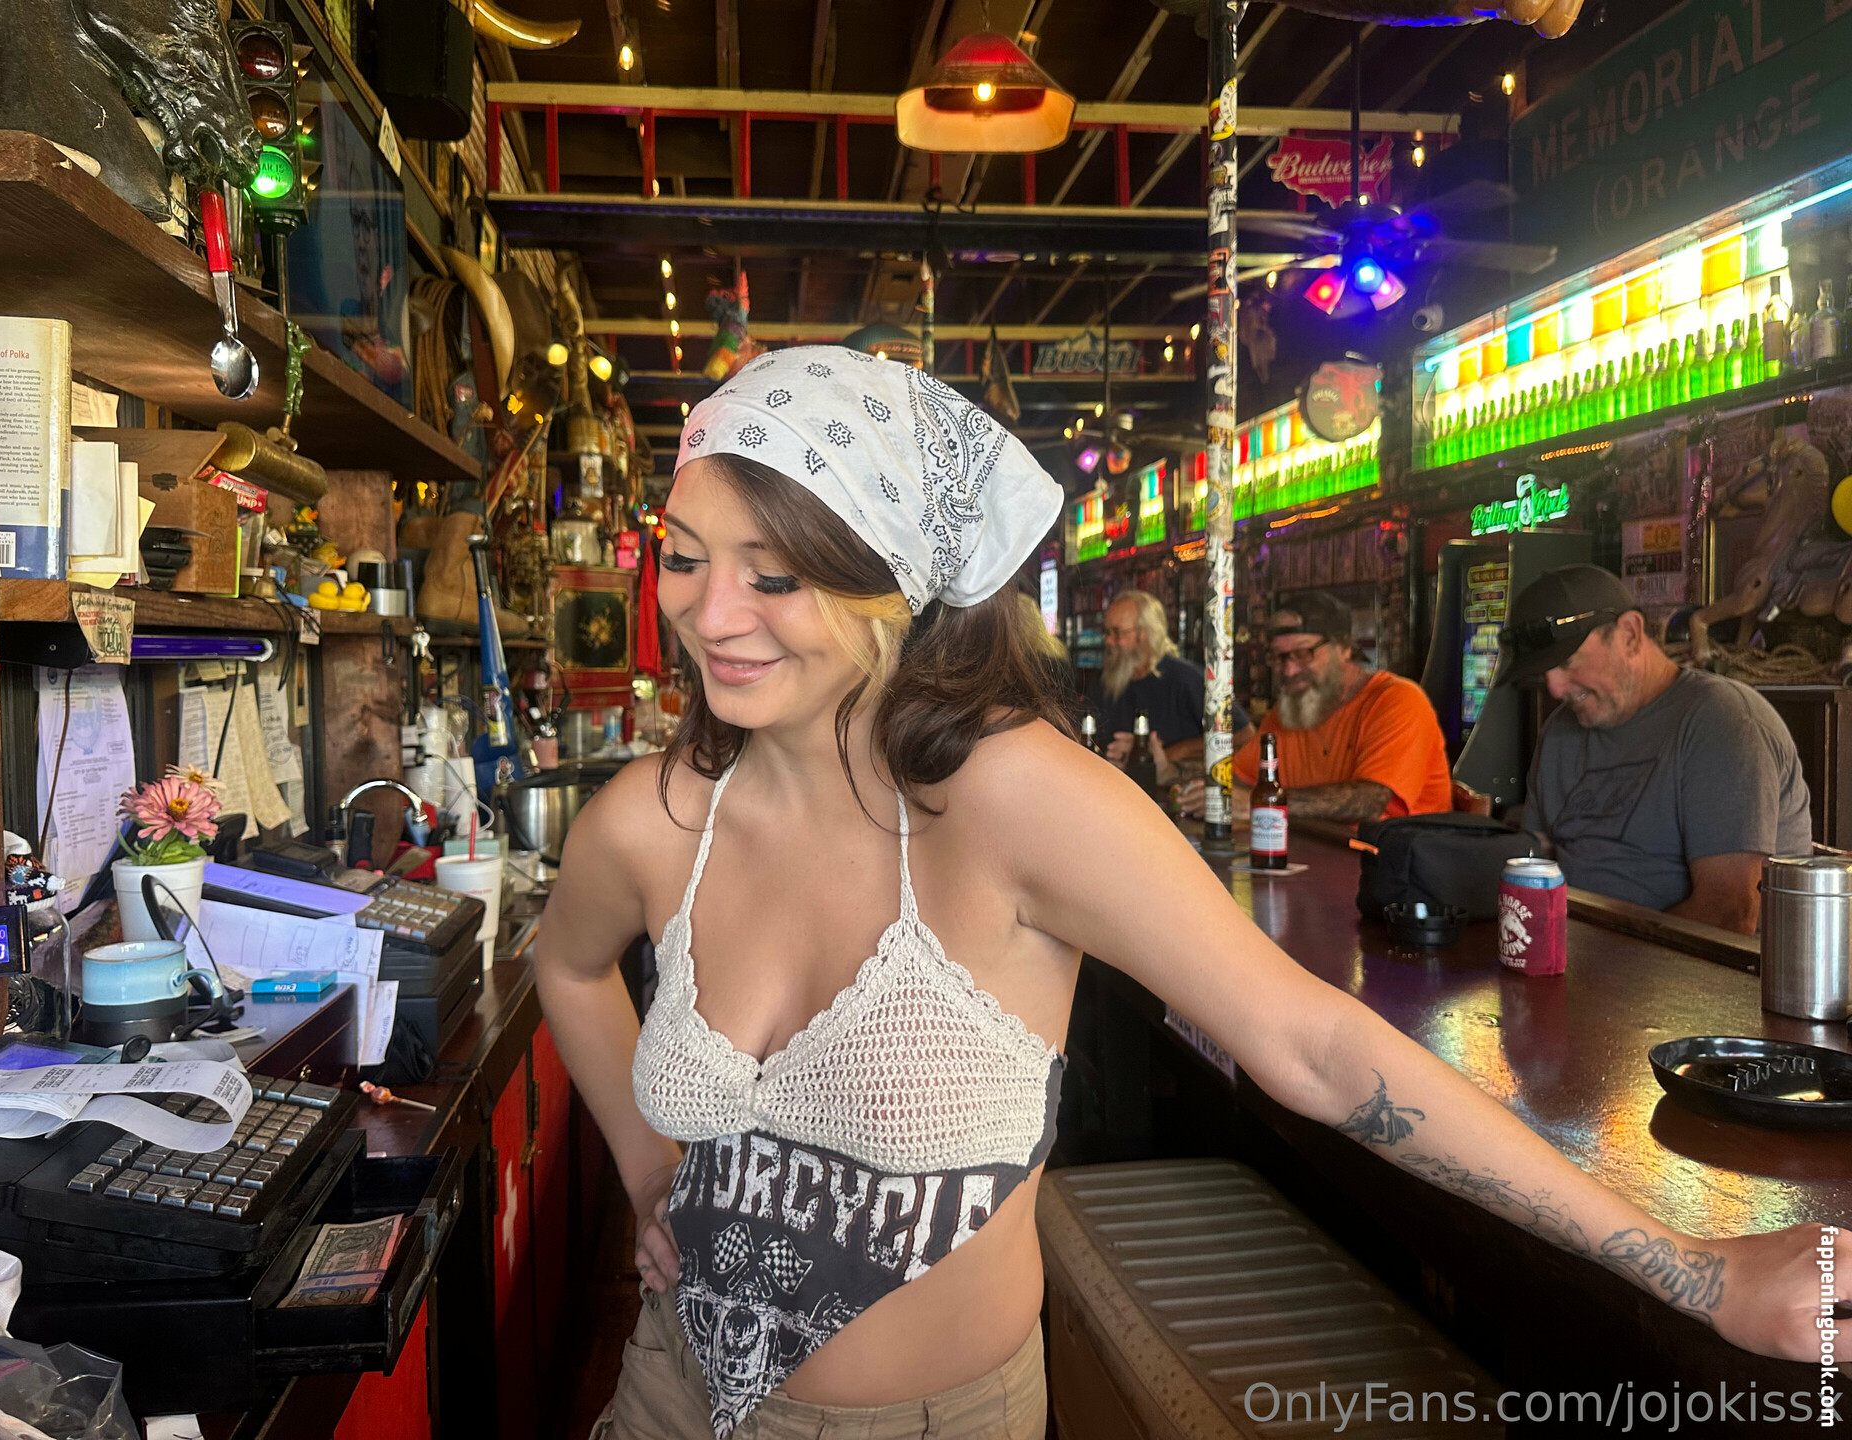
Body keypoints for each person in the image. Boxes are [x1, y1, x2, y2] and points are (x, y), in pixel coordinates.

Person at [534, 348, 1834, 1440]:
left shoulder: (1008, 798)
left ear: (898, 579)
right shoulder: (660, 816)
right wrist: (650, 1176)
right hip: (666, 1395)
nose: (709, 615)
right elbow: (567, 963)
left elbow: (1314, 1044)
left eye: (773, 575)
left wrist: (1695, 1272)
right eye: (684, 558)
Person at [1498, 565, 1811, 935]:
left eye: (1567, 662)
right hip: (1575, 951)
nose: (1554, 688)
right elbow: (1534, 866)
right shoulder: (1559, 733)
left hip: (1687, 968)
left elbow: (1730, 912)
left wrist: (1605, 960)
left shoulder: (1722, 722)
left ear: (1629, 634)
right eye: (1543, 673)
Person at [1177, 592, 1449, 823]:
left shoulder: (1397, 701)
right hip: (1318, 857)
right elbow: (1240, 779)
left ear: (1344, 648)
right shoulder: (1290, 711)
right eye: (1279, 657)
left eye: (1304, 653)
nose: (1289, 670)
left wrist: (1260, 803)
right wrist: (1181, 778)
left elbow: (1369, 802)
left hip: (1398, 861)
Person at [1094, 589, 1204, 773]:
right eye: (1107, 632)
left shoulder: (1185, 678)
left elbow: (1242, 735)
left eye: (1117, 633)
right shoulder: (1107, 680)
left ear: (1145, 633)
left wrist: (1165, 754)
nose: (1109, 641)